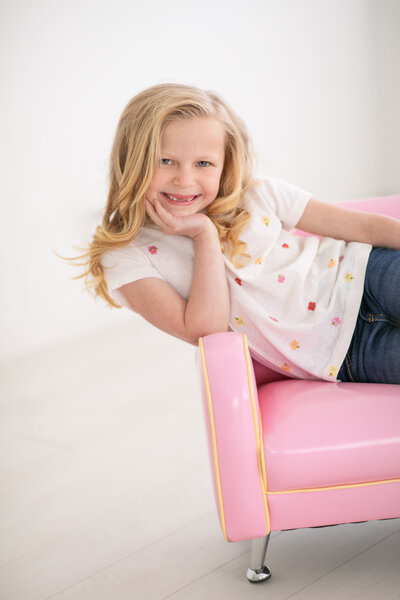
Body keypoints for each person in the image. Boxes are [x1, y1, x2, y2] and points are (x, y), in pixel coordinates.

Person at [65, 82, 400, 384]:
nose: (184, 180)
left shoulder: (256, 193)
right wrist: (204, 235)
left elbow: (363, 226)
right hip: (342, 352)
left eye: (203, 164)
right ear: (132, 160)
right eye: (165, 161)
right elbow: (204, 329)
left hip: (366, 274)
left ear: (225, 163)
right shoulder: (126, 254)